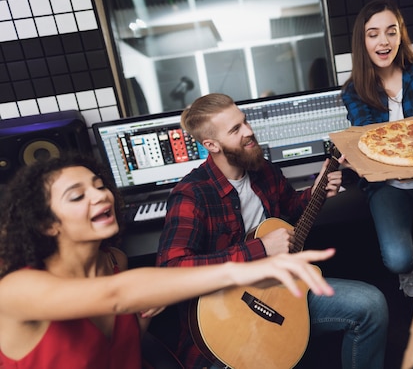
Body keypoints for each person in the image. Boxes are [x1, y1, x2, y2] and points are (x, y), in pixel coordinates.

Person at [0, 153, 337, 368]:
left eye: (100, 185)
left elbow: (125, 338)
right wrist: (248, 266)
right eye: (77, 196)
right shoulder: (16, 290)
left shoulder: (115, 261)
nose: (100, 195)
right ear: (47, 224)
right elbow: (116, 296)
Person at [156, 93, 389, 369]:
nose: (249, 131)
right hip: (225, 324)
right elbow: (172, 271)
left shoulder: (262, 169)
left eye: (245, 122)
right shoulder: (191, 195)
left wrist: (316, 192)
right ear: (211, 145)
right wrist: (260, 248)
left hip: (282, 295)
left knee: (371, 305)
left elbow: (290, 209)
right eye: (235, 129)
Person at [341, 0, 413, 297]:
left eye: (391, 32)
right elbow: (371, 139)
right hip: (388, 184)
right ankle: (407, 271)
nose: (384, 41)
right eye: (373, 33)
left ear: (400, 34)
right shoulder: (354, 90)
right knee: (397, 258)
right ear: (362, 41)